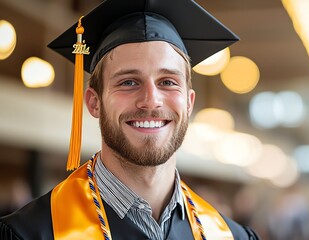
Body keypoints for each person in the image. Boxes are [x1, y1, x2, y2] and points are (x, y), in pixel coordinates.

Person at [0, 0, 260, 239]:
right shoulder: (29, 233)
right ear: (94, 102)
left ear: (189, 103)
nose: (151, 100)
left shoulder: (230, 235)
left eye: (168, 82)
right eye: (128, 82)